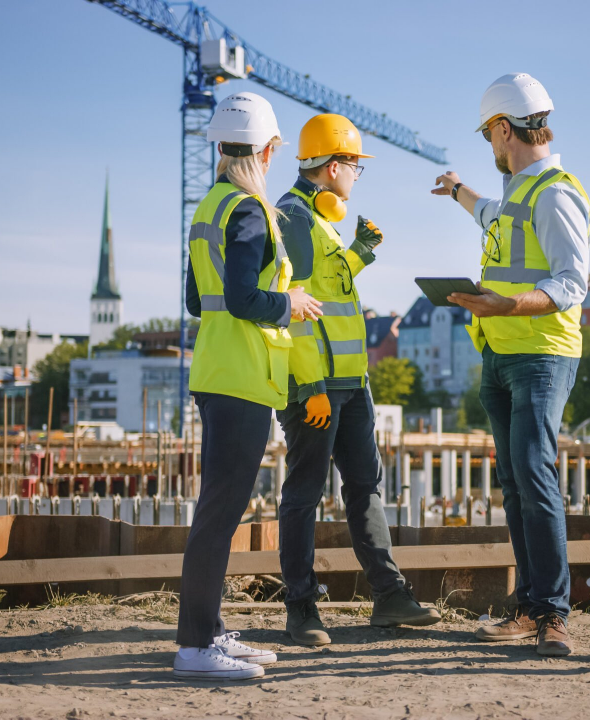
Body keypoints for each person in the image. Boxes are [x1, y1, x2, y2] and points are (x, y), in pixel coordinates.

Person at [430, 73, 590, 657]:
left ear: (504, 130)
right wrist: (457, 191)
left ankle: (553, 613)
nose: (489, 147)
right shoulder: (519, 192)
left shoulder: (554, 192)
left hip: (542, 355)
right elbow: (489, 213)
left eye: (489, 137)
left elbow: (573, 282)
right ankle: (529, 606)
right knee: (516, 483)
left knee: (534, 475)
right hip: (500, 356)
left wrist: (506, 304)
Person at [173, 91, 324, 681]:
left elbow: (197, 299)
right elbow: (241, 299)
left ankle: (207, 632)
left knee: (219, 508)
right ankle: (194, 647)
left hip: (216, 373)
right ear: (266, 149)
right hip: (241, 380)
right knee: (220, 513)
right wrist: (289, 301)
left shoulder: (210, 205)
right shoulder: (249, 209)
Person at [275, 114, 440, 645]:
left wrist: (360, 254)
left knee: (365, 488)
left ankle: (389, 597)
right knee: (302, 494)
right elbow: (295, 308)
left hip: (352, 384)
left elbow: (329, 290)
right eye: (355, 167)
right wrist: (311, 386)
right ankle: (301, 609)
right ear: (333, 165)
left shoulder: (321, 221)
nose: (356, 176)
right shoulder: (295, 217)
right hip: (317, 389)